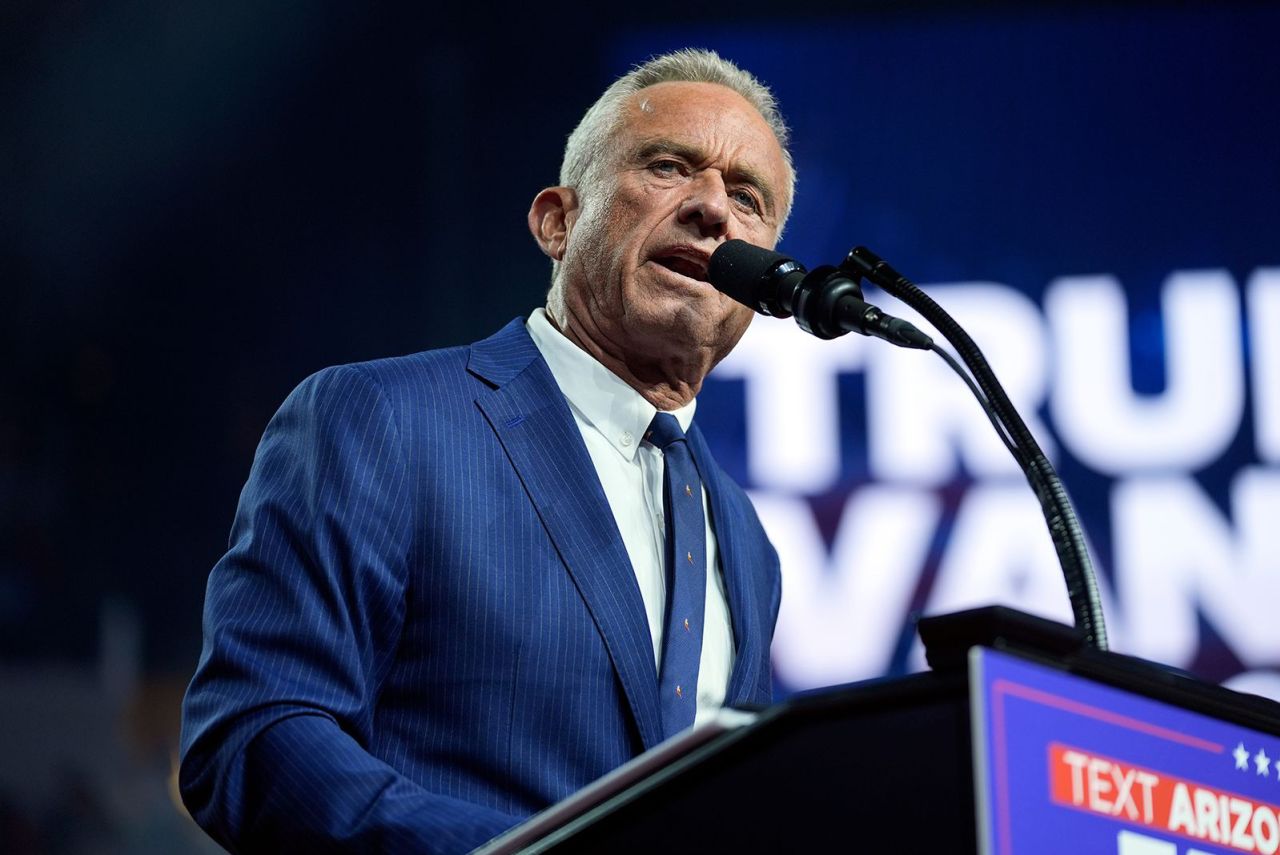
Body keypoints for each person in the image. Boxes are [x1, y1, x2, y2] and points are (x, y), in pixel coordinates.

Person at [180, 48, 792, 854]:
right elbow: (255, 734)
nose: (714, 207)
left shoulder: (745, 540)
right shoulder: (381, 420)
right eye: (671, 166)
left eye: (748, 197)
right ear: (557, 221)